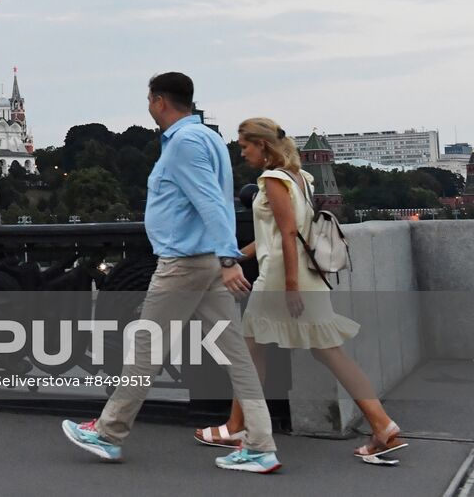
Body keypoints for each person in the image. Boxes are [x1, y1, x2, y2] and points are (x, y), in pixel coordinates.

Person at [62, 72, 281, 474]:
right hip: (207, 263)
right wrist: (223, 258)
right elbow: (219, 201)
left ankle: (109, 433)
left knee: (144, 350)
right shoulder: (209, 138)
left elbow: (211, 203)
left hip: (184, 264)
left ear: (160, 101)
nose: (148, 106)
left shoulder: (183, 143)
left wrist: (229, 258)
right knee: (237, 357)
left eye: (149, 99)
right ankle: (261, 445)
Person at [194, 117, 406, 462]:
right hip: (306, 277)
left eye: (245, 145)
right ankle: (382, 425)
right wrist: (233, 257)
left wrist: (289, 286)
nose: (242, 152)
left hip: (281, 280)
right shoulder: (301, 178)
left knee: (250, 352)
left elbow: (288, 234)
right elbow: (276, 237)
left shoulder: (273, 179)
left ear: (262, 146)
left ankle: (236, 425)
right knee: (328, 352)